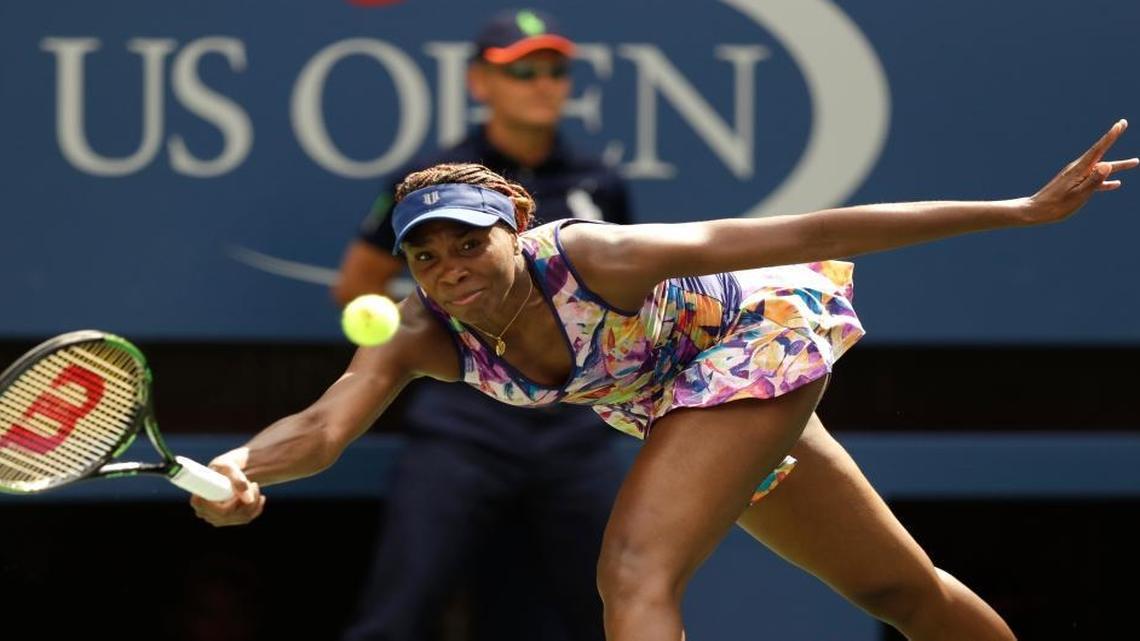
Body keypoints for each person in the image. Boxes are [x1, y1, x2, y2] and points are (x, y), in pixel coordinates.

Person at [193, 120, 1137, 641]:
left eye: (469, 241)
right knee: (900, 591)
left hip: (754, 341)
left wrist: (1015, 211)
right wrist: (240, 465)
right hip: (679, 404)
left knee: (633, 571)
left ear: (512, 229)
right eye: (427, 255)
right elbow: (321, 430)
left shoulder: (601, 255)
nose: (451, 269)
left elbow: (810, 234)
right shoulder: (416, 331)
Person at [331, 9, 631, 641]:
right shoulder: (430, 185)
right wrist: (435, 349)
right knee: (399, 612)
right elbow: (355, 286)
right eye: (521, 70)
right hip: (464, 430)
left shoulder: (599, 183)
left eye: (554, 69)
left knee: (615, 608)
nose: (543, 83)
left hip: (579, 430)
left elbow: (619, 305)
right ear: (479, 84)